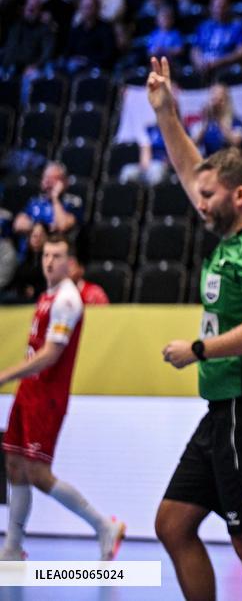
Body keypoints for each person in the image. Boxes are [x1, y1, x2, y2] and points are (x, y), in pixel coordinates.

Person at [147, 56, 242, 601]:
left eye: (209, 196)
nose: (198, 202)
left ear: (238, 197)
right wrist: (167, 114)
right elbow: (192, 173)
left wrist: (199, 348)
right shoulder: (230, 236)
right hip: (223, 412)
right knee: (174, 524)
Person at [0, 235, 124, 561]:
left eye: (58, 256)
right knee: (13, 464)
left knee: (39, 474)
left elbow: (52, 355)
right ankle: (12, 549)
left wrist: (6, 375)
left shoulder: (68, 300)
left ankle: (102, 526)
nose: (50, 261)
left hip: (47, 397)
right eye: (46, 255)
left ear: (71, 263)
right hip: (29, 391)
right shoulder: (48, 294)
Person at [13, 162, 82, 240]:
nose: (48, 182)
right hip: (31, 250)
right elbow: (18, 225)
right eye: (45, 177)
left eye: (53, 178)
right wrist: (42, 227)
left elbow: (63, 226)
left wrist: (55, 199)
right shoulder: (35, 201)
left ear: (65, 181)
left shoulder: (72, 202)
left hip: (56, 248)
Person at [190, 0, 242, 76]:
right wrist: (199, 62)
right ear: (211, 7)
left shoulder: (236, 26)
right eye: (216, 6)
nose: (219, 10)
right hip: (204, 68)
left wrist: (220, 61)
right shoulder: (203, 26)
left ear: (228, 7)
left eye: (223, 6)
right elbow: (195, 49)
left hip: (225, 68)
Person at [189, 84, 242, 156]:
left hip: (229, 161)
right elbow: (192, 145)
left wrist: (220, 120)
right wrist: (205, 122)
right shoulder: (202, 123)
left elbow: (236, 141)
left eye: (220, 100)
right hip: (208, 161)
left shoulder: (236, 121)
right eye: (213, 100)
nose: (216, 105)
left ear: (227, 102)